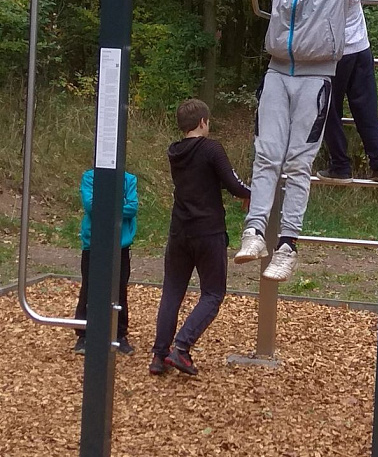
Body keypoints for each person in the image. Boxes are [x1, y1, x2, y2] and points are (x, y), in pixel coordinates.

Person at [234, 0, 355, 282]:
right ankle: (254, 231)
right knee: (267, 154)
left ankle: (287, 244)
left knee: (298, 162)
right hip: (277, 71)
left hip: (316, 76)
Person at [149, 98, 250, 377]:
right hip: (208, 231)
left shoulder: (174, 151)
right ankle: (181, 347)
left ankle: (159, 354)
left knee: (172, 292)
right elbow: (233, 183)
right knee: (213, 294)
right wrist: (251, 194)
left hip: (179, 231)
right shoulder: (211, 148)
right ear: (203, 122)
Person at [318, 0, 378, 183]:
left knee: (328, 109)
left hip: (335, 52)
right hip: (360, 47)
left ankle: (340, 165)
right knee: (366, 108)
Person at [74, 168, 138, 355]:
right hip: (93, 243)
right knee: (89, 287)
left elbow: (132, 208)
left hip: (120, 244)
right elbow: (90, 206)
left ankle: (120, 334)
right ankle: (83, 334)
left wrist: (104, 204)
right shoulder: (90, 177)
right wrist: (118, 205)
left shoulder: (128, 179)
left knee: (119, 288)